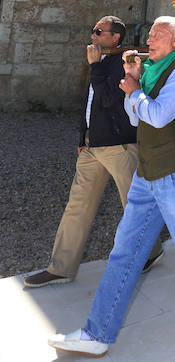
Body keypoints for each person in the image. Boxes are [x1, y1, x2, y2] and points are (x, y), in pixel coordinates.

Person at [48, 17, 175, 357]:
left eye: (156, 35)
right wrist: (134, 82)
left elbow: (158, 115)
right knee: (124, 252)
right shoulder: (154, 70)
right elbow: (136, 119)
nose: (149, 40)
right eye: (149, 34)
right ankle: (97, 334)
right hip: (148, 174)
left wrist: (134, 90)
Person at [25, 16, 163, 289]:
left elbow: (109, 100)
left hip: (120, 147)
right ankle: (60, 267)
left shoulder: (122, 63)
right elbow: (88, 104)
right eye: (92, 30)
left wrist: (94, 67)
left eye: (99, 31)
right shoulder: (98, 63)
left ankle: (151, 251)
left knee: (133, 206)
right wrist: (82, 136)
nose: (93, 35)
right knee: (76, 207)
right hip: (91, 147)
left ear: (115, 38)